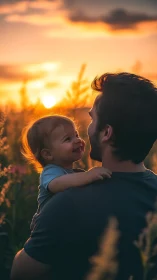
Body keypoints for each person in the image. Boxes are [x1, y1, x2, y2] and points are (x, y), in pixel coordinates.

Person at [11, 72, 157, 280]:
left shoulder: (68, 204)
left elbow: (20, 273)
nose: (86, 131)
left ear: (106, 133)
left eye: (92, 119)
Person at [21, 115, 111, 230]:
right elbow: (56, 184)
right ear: (48, 154)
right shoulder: (50, 171)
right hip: (46, 228)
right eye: (68, 139)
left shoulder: (73, 174)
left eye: (76, 135)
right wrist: (88, 175)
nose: (77, 140)